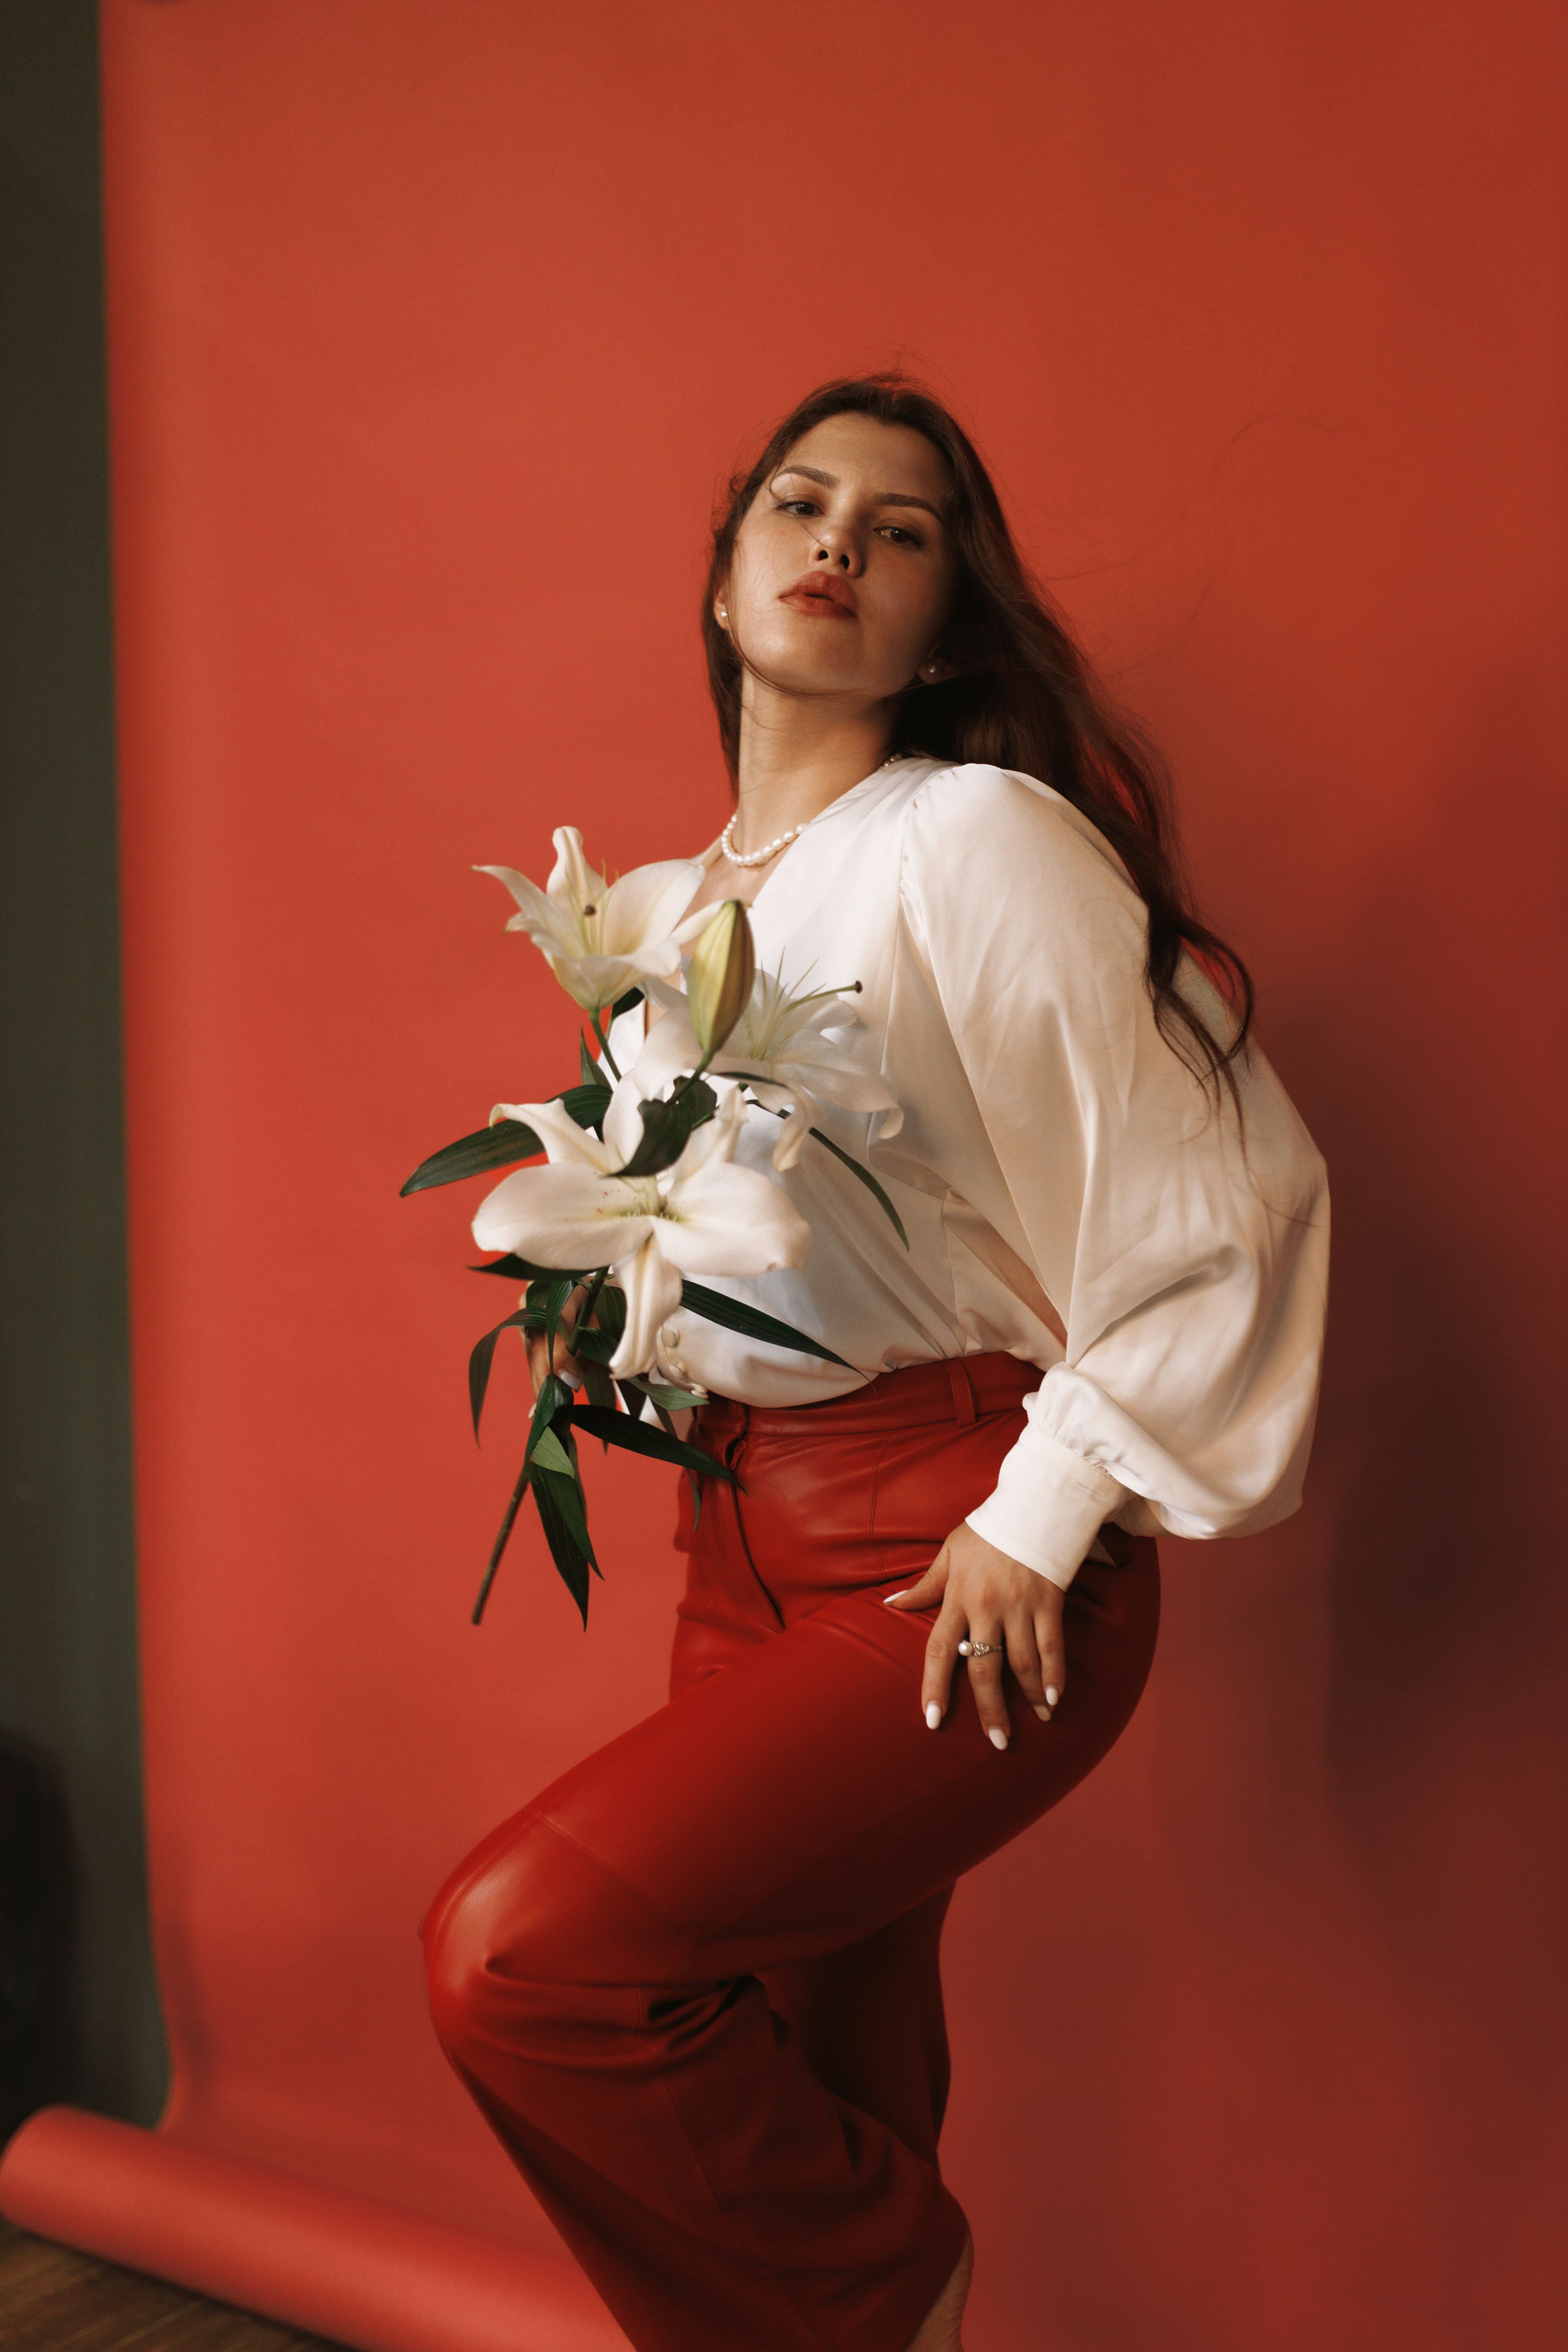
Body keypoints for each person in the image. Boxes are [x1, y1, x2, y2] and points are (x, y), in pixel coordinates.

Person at [421, 375, 1329, 2352]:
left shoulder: (973, 839)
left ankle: (900, 2293)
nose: (839, 541)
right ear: (725, 573)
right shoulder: (667, 912)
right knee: (812, 2081)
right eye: (801, 502)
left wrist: (1048, 1508)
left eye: (901, 531)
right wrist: (621, 1328)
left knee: (526, 1958)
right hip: (741, 1541)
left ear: (940, 629)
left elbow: (1222, 1194)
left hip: (956, 1545)